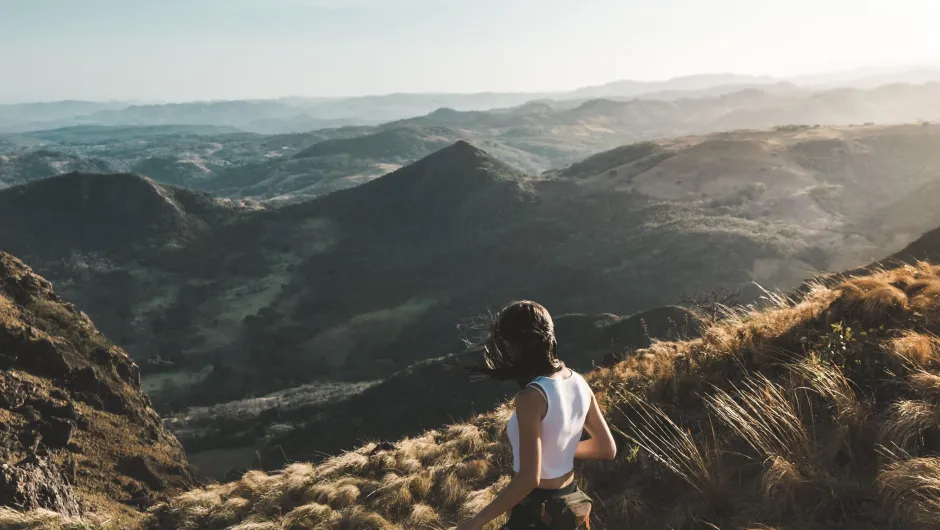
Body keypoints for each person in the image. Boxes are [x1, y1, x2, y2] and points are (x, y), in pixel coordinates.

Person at [457, 301, 617, 530]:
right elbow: (606, 449)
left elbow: (528, 478)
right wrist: (560, 447)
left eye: (507, 345)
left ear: (519, 346)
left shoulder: (532, 397)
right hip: (570, 505)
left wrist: (476, 522)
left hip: (537, 512)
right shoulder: (579, 381)